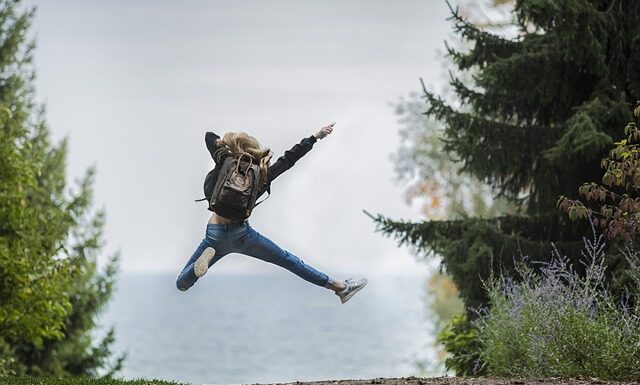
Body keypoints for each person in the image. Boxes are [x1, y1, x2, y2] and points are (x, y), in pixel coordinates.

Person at [176, 122, 367, 304]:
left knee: (182, 284)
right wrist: (315, 137)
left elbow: (209, 136)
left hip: (214, 234)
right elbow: (289, 159)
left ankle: (196, 270)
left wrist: (229, 148)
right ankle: (340, 288)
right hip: (242, 235)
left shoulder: (225, 161)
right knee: (288, 260)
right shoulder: (261, 174)